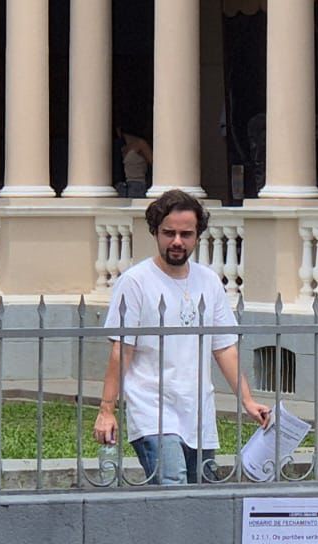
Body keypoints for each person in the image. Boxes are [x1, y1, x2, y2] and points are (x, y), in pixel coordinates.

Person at [93, 189, 270, 484]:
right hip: (152, 408)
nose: (177, 241)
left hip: (198, 410)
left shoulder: (209, 280)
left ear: (197, 235)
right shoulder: (135, 282)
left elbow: (224, 346)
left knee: (201, 497)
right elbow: (121, 350)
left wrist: (248, 401)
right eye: (169, 233)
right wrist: (106, 410)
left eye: (186, 234)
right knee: (172, 490)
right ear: (155, 232)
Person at [118, 127, 153, 199]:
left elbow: (152, 161)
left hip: (137, 184)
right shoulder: (121, 145)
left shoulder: (141, 144)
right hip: (123, 186)